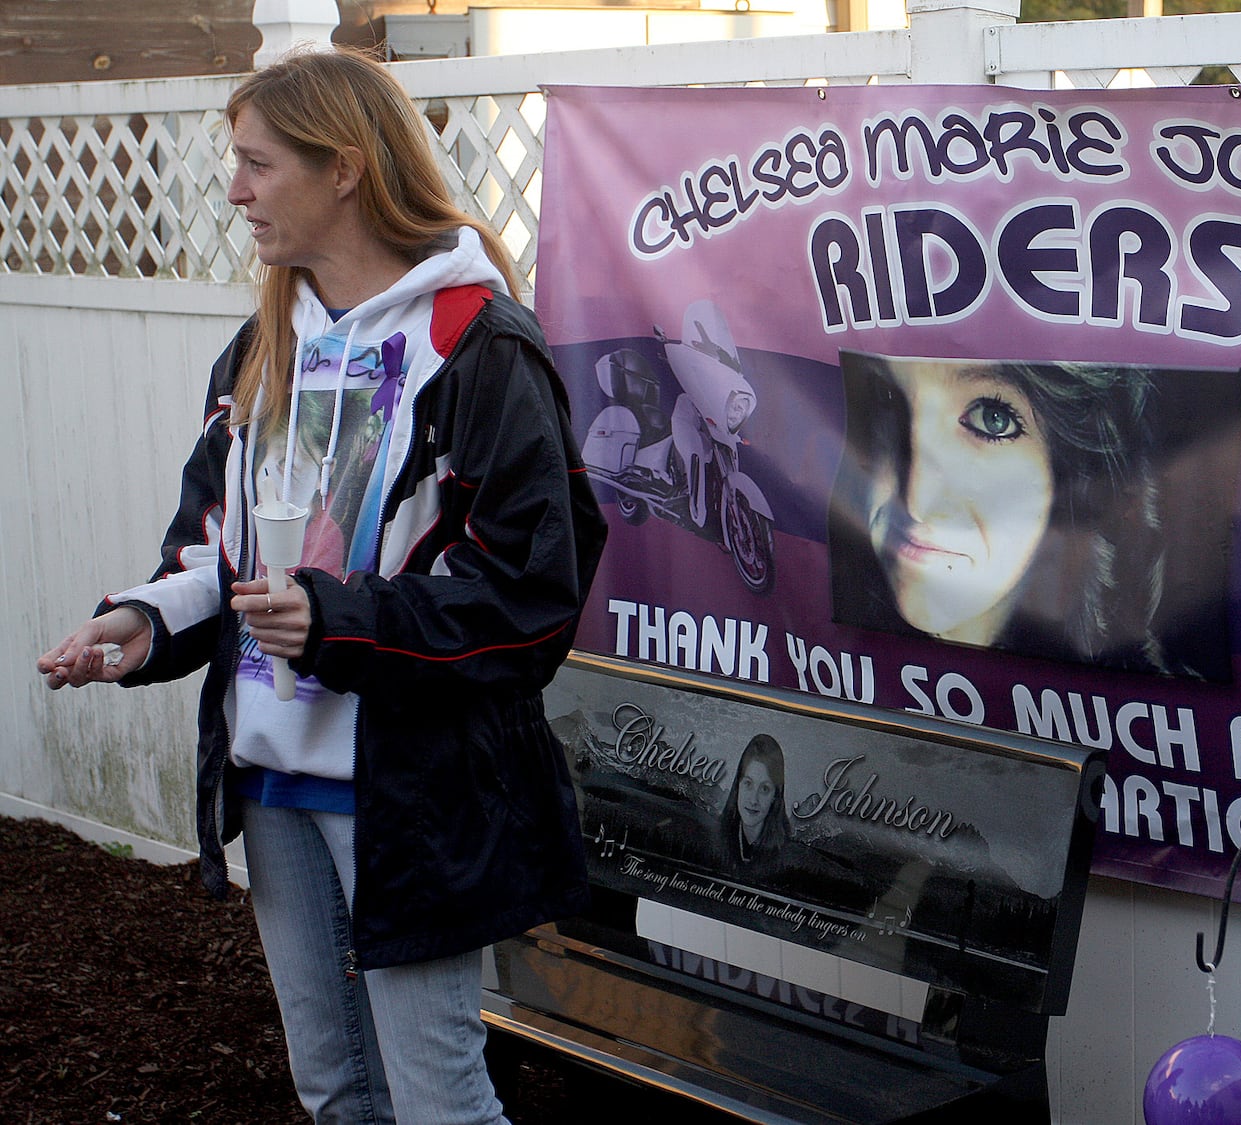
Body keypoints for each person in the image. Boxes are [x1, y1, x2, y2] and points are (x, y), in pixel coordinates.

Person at [36, 48, 606, 1124]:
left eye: (256, 163)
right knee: (333, 1087)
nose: (234, 189)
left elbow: (530, 596)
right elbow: (213, 547)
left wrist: (339, 619)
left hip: (415, 793)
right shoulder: (262, 349)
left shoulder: (479, 347)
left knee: (438, 1099)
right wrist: (138, 621)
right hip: (275, 781)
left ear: (344, 168)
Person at [829, 350, 1181, 677]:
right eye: (886, 397)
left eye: (992, 419)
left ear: (1077, 481)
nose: (917, 502)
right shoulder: (826, 649)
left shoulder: (1148, 719)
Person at [719, 733, 793, 866]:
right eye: (748, 784)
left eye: (765, 789)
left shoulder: (787, 856)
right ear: (738, 786)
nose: (754, 800)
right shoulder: (717, 838)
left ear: (775, 796)